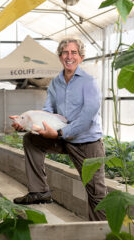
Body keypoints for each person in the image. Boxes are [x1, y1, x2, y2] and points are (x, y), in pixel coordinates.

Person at [9, 37, 107, 221]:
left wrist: (61, 133)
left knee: (96, 194)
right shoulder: (56, 83)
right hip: (62, 139)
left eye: (73, 52)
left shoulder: (89, 82)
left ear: (81, 57)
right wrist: (29, 124)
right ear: (60, 56)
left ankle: (102, 230)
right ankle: (39, 191)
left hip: (87, 143)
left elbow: (87, 117)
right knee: (31, 139)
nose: (69, 56)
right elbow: (48, 112)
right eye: (65, 52)